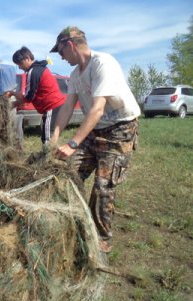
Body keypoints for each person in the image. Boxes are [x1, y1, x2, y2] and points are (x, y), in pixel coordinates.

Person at [49, 26, 140, 253]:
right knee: (68, 171)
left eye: (61, 52)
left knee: (102, 187)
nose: (61, 57)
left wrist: (72, 143)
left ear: (70, 45)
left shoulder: (102, 63)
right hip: (96, 130)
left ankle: (101, 241)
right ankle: (74, 221)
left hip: (120, 129)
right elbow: (68, 106)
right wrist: (55, 137)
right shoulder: (75, 75)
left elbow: (97, 109)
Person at [11, 46, 66, 144]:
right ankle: (51, 155)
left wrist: (13, 95)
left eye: (20, 63)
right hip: (56, 106)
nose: (19, 67)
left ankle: (48, 157)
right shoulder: (40, 68)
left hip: (52, 106)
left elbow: (28, 97)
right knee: (49, 134)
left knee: (47, 138)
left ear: (27, 58)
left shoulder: (33, 72)